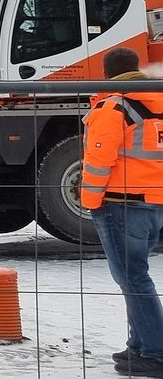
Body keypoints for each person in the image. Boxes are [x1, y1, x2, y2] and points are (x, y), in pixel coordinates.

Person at [82, 47, 163, 377]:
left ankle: (156, 353)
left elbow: (99, 159)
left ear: (107, 74)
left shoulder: (113, 106)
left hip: (121, 203)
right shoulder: (157, 100)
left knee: (133, 278)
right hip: (155, 201)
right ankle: (139, 347)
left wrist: (90, 202)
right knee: (136, 275)